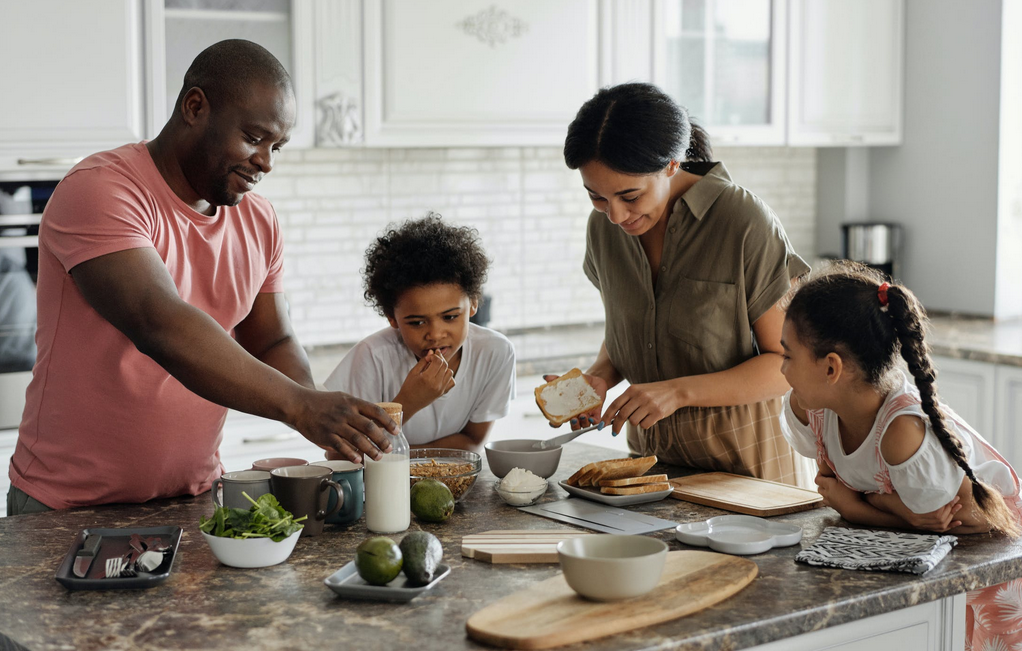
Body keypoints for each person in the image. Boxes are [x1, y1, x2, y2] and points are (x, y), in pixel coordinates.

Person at [7, 40, 396, 516]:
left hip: (193, 497)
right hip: (68, 505)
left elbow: (272, 339)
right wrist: (300, 406)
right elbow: (160, 323)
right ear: (195, 107)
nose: (267, 162)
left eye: (277, 146)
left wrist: (323, 418)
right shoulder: (101, 189)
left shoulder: (258, 219)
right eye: (254, 138)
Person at [549, 82, 812, 485]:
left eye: (630, 196)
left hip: (751, 475)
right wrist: (599, 377)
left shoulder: (742, 221)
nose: (616, 216)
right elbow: (632, 330)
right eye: (597, 198)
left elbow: (787, 365)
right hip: (651, 473)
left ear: (672, 164)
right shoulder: (602, 230)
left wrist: (678, 392)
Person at [779, 262, 1022, 650]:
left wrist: (862, 508)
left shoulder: (901, 432)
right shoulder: (814, 408)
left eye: (788, 355)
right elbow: (837, 490)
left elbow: (964, 520)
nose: (781, 368)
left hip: (993, 559)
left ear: (831, 367)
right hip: (927, 556)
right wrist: (897, 510)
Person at [324, 214, 515, 451]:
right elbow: (338, 454)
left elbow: (472, 440)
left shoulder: (495, 352)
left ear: (474, 303)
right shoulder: (373, 357)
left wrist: (405, 459)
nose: (435, 334)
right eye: (416, 322)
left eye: (450, 317)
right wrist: (408, 402)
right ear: (391, 316)